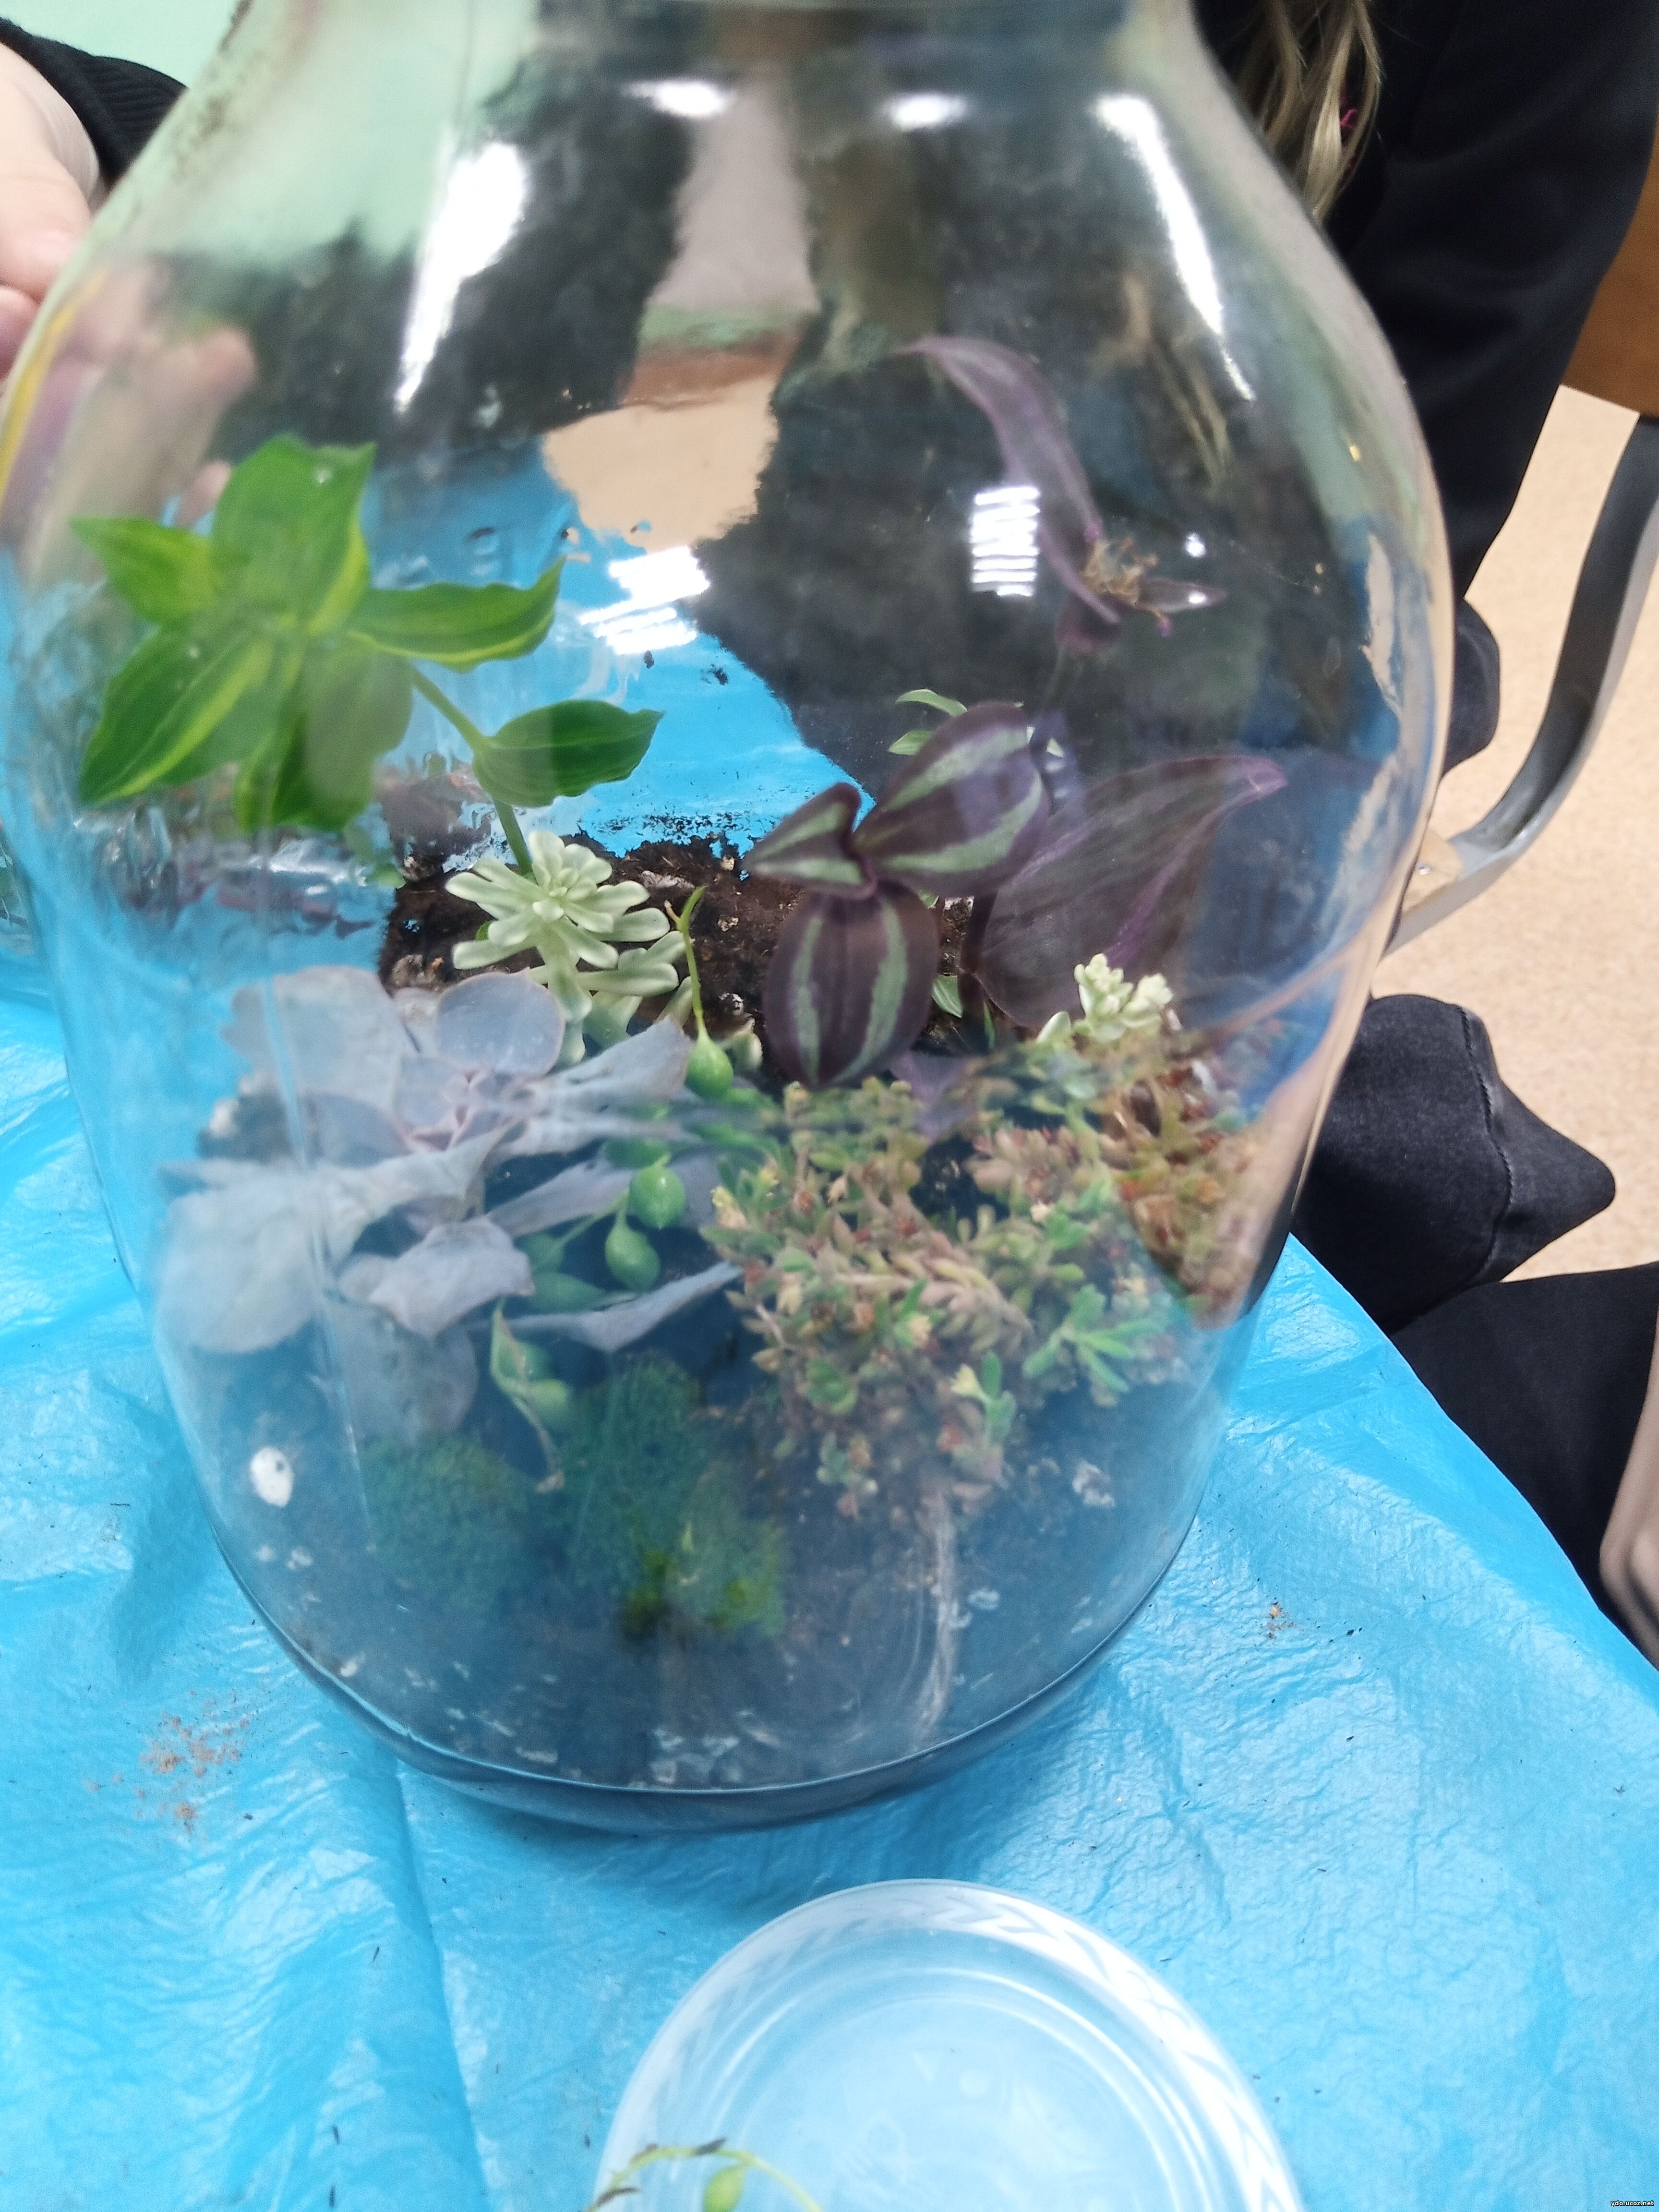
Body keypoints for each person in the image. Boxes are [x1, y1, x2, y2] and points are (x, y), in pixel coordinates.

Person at [2, 3, 1658, 1662]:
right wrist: (54, 112)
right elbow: (472, 229)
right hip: (802, 636)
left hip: (1177, 748)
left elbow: (1359, 577)